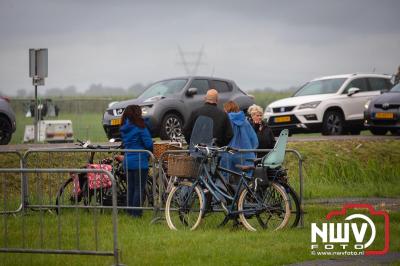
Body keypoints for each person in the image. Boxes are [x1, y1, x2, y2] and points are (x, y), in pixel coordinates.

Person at [120, 105, 153, 217]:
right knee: (139, 189)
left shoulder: (124, 128)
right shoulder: (141, 127)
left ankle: (129, 213)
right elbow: (149, 144)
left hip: (128, 161)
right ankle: (136, 214)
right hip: (140, 161)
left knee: (131, 188)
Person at [221, 101, 258, 184]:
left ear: (227, 109)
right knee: (245, 183)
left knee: (224, 180)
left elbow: (223, 137)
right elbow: (254, 140)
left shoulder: (227, 120)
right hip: (246, 155)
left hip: (229, 155)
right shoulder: (245, 121)